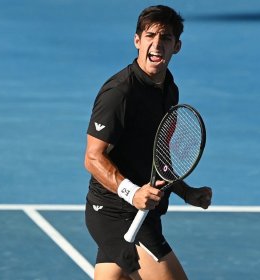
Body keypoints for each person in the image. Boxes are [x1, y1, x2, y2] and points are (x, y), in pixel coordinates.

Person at [84, 5, 212, 280]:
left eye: (165, 38)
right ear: (137, 41)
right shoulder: (119, 93)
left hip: (144, 211)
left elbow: (158, 157)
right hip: (114, 212)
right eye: (150, 35)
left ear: (176, 46)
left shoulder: (169, 89)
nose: (156, 44)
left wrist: (186, 192)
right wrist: (132, 193)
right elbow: (93, 158)